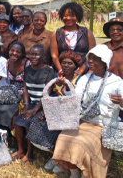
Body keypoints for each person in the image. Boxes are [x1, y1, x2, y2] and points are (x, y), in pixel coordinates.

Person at [52, 45, 123, 178]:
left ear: (104, 62)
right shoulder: (84, 79)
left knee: (83, 142)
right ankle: (74, 172)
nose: (90, 61)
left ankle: (87, 173)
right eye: (89, 58)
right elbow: (75, 100)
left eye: (95, 59)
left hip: (103, 125)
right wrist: (67, 86)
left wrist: (121, 102)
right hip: (83, 120)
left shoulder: (116, 82)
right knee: (63, 138)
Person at [12, 45, 54, 165]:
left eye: (37, 54)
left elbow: (47, 93)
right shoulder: (28, 69)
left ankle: (30, 154)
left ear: (43, 56)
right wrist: (26, 106)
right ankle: (20, 150)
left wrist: (34, 110)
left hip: (43, 106)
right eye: (32, 54)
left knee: (29, 122)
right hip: (30, 104)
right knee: (18, 120)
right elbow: (25, 89)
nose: (34, 57)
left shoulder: (49, 71)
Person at [41, 51, 82, 174]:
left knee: (62, 130)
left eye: (70, 63)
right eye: (63, 62)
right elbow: (51, 95)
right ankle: (55, 157)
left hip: (73, 114)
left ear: (75, 66)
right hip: (58, 112)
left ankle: (61, 159)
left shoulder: (80, 79)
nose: (66, 65)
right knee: (44, 124)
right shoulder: (56, 78)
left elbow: (78, 98)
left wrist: (67, 86)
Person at [0, 43, 31, 131]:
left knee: (11, 110)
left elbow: (27, 87)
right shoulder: (8, 62)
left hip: (24, 95)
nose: (14, 53)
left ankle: (13, 136)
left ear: (22, 54)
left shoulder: (27, 64)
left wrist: (26, 104)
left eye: (18, 52)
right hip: (10, 94)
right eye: (12, 51)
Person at [50, 2, 96, 75]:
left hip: (83, 73)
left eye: (72, 15)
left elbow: (92, 55)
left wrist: (80, 71)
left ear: (78, 16)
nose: (68, 18)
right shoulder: (56, 33)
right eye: (65, 15)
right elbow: (54, 56)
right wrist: (61, 71)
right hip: (61, 73)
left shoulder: (87, 33)